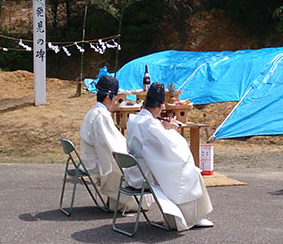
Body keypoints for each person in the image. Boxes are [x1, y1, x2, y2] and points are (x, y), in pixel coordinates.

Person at [125, 82, 213, 231]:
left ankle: (188, 216)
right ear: (160, 107)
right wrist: (172, 130)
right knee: (189, 170)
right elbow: (173, 148)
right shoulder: (150, 124)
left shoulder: (134, 120)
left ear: (145, 103)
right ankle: (191, 218)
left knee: (183, 169)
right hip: (146, 175)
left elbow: (155, 145)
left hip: (134, 171)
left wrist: (164, 129)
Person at [79, 75, 151, 212]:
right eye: (116, 99)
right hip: (95, 161)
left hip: (89, 158)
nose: (116, 103)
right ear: (108, 98)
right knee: (128, 167)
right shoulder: (101, 116)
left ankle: (119, 202)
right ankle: (125, 204)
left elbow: (109, 141)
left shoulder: (94, 112)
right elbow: (112, 146)